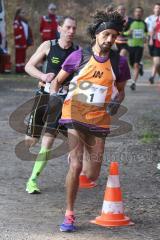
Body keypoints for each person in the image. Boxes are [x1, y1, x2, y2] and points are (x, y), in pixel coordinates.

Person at [49, 10, 130, 232]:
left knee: (92, 174)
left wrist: (117, 100)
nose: (109, 39)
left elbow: (120, 90)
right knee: (76, 165)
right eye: (105, 34)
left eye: (114, 36)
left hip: (99, 120)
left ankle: (79, 159)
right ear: (96, 34)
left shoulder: (119, 62)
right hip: (73, 114)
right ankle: (69, 214)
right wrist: (55, 98)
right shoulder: (78, 57)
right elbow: (57, 81)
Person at [25, 16, 78, 194]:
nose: (71, 31)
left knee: (47, 142)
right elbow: (29, 66)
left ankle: (32, 180)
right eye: (68, 27)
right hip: (44, 96)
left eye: (74, 29)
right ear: (59, 27)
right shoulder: (49, 45)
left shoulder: (77, 51)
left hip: (62, 100)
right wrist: (42, 76)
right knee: (31, 139)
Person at [124, 7, 148, 90]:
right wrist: (128, 32)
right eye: (137, 12)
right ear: (134, 13)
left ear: (142, 13)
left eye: (140, 12)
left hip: (139, 47)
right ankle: (140, 66)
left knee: (136, 64)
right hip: (130, 46)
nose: (138, 13)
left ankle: (133, 82)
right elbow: (124, 32)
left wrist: (146, 37)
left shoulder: (144, 23)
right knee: (132, 64)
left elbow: (146, 33)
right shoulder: (130, 22)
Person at [13, 8, 33, 73]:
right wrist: (20, 40)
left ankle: (21, 69)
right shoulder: (16, 21)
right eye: (22, 13)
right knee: (19, 56)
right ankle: (18, 69)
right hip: (19, 43)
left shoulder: (24, 21)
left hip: (25, 42)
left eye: (24, 13)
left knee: (23, 56)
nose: (24, 14)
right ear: (18, 14)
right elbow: (17, 33)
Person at [145, 3, 160, 84]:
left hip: (158, 42)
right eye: (156, 8)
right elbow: (146, 30)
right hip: (152, 42)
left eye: (159, 8)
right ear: (153, 9)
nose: (157, 9)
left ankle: (152, 76)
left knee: (157, 62)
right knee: (156, 62)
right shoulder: (149, 19)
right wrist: (148, 38)